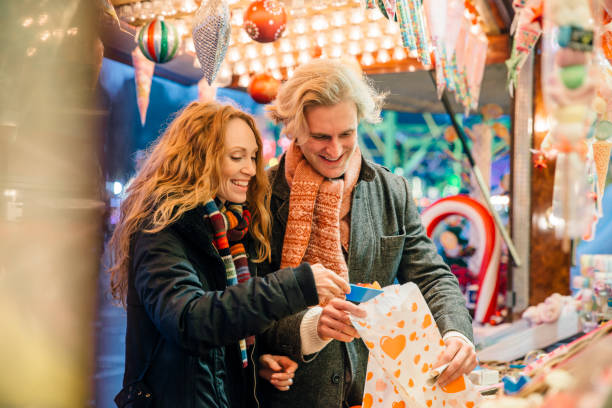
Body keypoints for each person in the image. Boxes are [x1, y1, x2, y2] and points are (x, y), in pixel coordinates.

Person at [256, 59, 477, 408]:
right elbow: (244, 304)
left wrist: (456, 333)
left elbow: (433, 277)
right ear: (294, 131)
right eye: (320, 137)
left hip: (385, 393)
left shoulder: (392, 190)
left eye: (346, 134)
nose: (335, 149)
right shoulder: (260, 198)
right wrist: (308, 326)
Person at [108, 102, 349, 408]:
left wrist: (251, 364)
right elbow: (189, 320)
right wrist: (293, 285)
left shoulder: (230, 226)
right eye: (236, 157)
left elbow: (223, 329)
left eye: (252, 157)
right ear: (199, 159)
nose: (250, 169)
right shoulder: (161, 227)